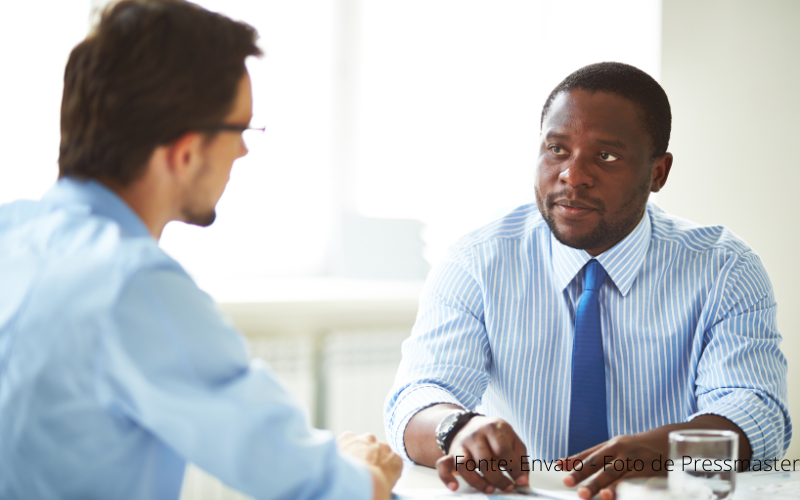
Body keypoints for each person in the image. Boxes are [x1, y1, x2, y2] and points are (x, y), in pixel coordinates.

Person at [0, 1, 402, 499]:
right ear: (186, 152)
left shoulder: (10, 233)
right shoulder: (132, 284)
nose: (243, 151)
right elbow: (318, 486)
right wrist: (366, 470)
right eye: (241, 129)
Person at [385, 62, 790, 500]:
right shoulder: (478, 261)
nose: (572, 176)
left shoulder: (724, 269)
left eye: (607, 156)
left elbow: (756, 416)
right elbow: (416, 398)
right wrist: (457, 429)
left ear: (658, 173)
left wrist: (666, 452)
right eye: (557, 149)